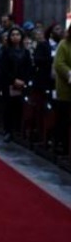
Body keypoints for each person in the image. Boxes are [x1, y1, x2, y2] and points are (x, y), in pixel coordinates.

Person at [52, 26, 71, 154]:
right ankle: (62, 146)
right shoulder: (64, 44)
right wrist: (69, 73)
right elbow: (59, 64)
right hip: (66, 88)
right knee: (64, 119)